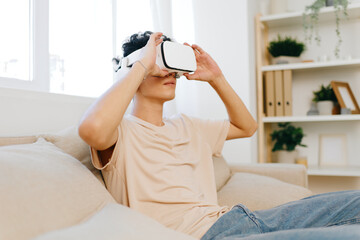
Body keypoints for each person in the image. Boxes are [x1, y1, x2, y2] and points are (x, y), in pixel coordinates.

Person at [78, 31, 360, 240]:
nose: (171, 72)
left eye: (172, 64)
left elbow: (247, 127)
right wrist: (141, 66)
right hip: (211, 236)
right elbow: (91, 129)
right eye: (159, 61)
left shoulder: (189, 125)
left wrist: (216, 78)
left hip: (243, 218)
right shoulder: (121, 132)